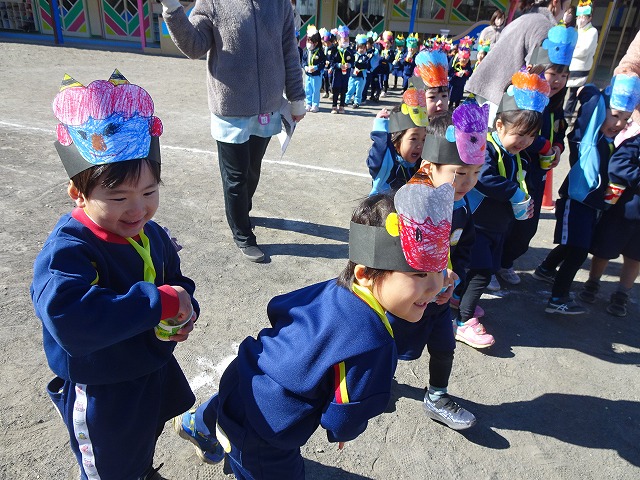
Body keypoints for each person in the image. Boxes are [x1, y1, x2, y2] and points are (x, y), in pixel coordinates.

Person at [173, 181, 456, 478]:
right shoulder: (374, 343)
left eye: (438, 269)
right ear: (365, 273)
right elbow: (344, 416)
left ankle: (199, 423)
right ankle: (218, 432)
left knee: (235, 406)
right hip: (267, 429)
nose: (435, 285)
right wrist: (344, 432)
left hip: (246, 373)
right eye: (419, 273)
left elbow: (281, 306)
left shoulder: (335, 288)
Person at [30, 71, 199, 480]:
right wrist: (158, 302)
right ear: (79, 194)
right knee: (108, 463)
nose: (137, 209)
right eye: (119, 197)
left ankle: (140, 469)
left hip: (147, 368)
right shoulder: (70, 250)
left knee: (141, 438)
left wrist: (184, 305)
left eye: (149, 192)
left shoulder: (151, 233)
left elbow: (175, 280)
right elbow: (70, 318)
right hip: (103, 387)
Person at [160, 0, 306, 263]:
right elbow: (194, 45)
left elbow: (289, 51)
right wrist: (172, 9)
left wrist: (296, 97)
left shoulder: (279, 4)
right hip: (230, 108)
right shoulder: (213, 1)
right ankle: (243, 234)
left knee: (252, 170)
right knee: (236, 177)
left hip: (267, 107)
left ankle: (241, 212)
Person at [388, 104, 488, 430]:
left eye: (476, 173)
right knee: (389, 344)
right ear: (429, 167)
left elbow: (465, 247)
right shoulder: (409, 206)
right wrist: (433, 279)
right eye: (460, 173)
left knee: (445, 346)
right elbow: (396, 260)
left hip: (440, 298)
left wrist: (453, 282)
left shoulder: (462, 206)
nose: (468, 182)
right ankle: (378, 379)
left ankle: (437, 396)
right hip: (409, 299)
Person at [533, 74, 640, 314]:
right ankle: (558, 298)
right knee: (578, 251)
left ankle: (546, 269)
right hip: (577, 201)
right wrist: (590, 91)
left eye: (626, 118)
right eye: (615, 115)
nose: (619, 123)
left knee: (573, 245)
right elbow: (590, 98)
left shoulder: (610, 141)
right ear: (602, 110)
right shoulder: (588, 137)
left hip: (593, 205)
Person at [458, 71, 549, 347]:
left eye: (531, 136)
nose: (525, 142)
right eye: (520, 134)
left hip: (496, 226)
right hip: (477, 225)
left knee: (480, 270)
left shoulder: (515, 155)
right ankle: (463, 321)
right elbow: (484, 177)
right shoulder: (486, 148)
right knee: (481, 272)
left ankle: (460, 302)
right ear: (499, 125)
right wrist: (515, 193)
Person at [498, 25, 577, 286]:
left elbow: (560, 134)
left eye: (563, 75)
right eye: (553, 73)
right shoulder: (519, 95)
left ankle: (506, 262)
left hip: (537, 176)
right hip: (513, 169)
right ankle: (492, 265)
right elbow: (515, 132)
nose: (557, 81)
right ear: (539, 69)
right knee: (504, 222)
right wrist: (543, 146)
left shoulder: (555, 106)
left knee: (527, 227)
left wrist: (557, 149)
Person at [466, 0, 568, 124]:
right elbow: (536, 73)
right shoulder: (546, 28)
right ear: (556, 2)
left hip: (485, 90)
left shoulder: (522, 19)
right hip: (502, 100)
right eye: (567, 4)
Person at [578, 125, 640, 317]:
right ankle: (593, 282)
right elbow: (618, 166)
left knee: (635, 258)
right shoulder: (635, 144)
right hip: (622, 212)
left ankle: (622, 294)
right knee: (603, 251)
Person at [367, 83, 428, 195]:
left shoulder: (419, 166)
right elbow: (378, 157)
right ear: (397, 139)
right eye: (413, 139)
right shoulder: (388, 166)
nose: (420, 145)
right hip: (383, 205)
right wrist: (381, 128)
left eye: (423, 139)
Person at [564, 0, 598, 119]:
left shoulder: (592, 31)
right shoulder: (576, 29)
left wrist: (571, 50)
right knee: (563, 92)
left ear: (590, 18)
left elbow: (583, 51)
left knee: (573, 96)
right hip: (569, 66)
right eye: (579, 17)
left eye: (584, 17)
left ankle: (567, 116)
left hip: (580, 68)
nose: (580, 20)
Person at [414, 45, 451, 119]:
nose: (440, 102)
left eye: (444, 96)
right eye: (432, 97)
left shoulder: (451, 124)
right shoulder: (413, 125)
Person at [329, 25, 354, 114]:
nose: (346, 41)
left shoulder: (350, 51)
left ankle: (342, 106)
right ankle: (334, 106)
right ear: (338, 41)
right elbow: (331, 62)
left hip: (346, 73)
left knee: (344, 89)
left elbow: (353, 61)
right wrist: (339, 65)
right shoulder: (334, 50)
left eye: (347, 40)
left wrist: (349, 65)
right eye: (344, 40)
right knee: (336, 89)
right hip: (337, 73)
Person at [301, 26, 326, 113]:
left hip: (316, 75)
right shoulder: (307, 51)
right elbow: (303, 61)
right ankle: (308, 103)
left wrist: (316, 67)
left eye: (310, 42)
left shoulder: (320, 52)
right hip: (308, 74)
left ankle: (315, 104)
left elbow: (323, 63)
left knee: (315, 90)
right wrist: (305, 67)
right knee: (308, 90)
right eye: (308, 41)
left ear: (315, 43)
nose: (308, 44)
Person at [345, 34, 371, 108]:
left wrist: (356, 64)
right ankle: (346, 101)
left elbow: (365, 65)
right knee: (350, 89)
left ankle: (357, 102)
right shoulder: (353, 55)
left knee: (359, 91)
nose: (361, 49)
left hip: (361, 76)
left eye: (363, 48)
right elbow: (350, 62)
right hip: (352, 75)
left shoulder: (366, 57)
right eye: (360, 48)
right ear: (357, 47)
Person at [448, 37, 474, 109]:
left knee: (459, 97)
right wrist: (456, 74)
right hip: (453, 83)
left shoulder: (468, 61)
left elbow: (470, 70)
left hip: (461, 83)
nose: (465, 60)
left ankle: (457, 107)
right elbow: (449, 71)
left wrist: (467, 73)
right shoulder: (454, 59)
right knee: (452, 97)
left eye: (466, 58)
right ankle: (450, 107)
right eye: (463, 58)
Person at [320, 28, 336, 98]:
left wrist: (332, 66)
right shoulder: (323, 48)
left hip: (331, 67)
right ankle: (326, 91)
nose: (327, 43)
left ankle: (332, 92)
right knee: (325, 80)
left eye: (328, 42)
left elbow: (334, 58)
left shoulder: (334, 48)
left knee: (331, 80)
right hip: (324, 67)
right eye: (325, 42)